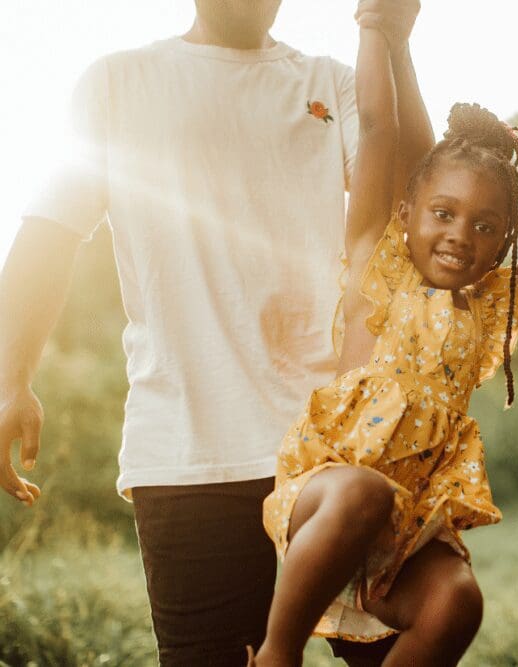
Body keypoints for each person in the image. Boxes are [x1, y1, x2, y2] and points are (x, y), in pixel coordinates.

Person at [0, 1, 432, 664]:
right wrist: (10, 380)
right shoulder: (119, 83)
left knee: (401, 647)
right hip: (187, 456)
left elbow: (421, 197)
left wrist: (395, 46)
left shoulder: (331, 82)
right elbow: (48, 234)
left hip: (339, 447)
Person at [248, 16, 518, 665]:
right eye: (444, 213)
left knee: (457, 601)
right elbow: (380, 126)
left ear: (503, 242)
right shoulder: (376, 259)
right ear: (406, 213)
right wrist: (375, 28)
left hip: (402, 527)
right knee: (363, 491)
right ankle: (275, 654)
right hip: (324, 498)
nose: (461, 233)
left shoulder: (492, 304)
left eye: (486, 225)